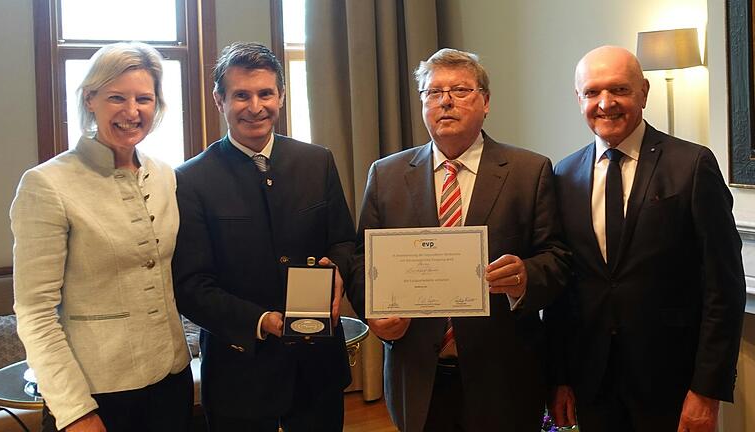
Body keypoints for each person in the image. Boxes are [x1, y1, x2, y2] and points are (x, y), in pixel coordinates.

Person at [348, 48, 571, 432]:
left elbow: (558, 258)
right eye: (434, 92)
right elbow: (360, 261)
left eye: (460, 90)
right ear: (422, 104)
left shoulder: (529, 170)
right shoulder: (386, 175)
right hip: (417, 372)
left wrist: (525, 276)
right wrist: (375, 313)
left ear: (485, 101)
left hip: (504, 374)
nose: (446, 102)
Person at [547, 45, 746, 432]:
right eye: (591, 92)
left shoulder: (691, 165)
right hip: (594, 383)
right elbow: (563, 290)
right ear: (578, 99)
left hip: (672, 383)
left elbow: (724, 286)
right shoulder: (564, 174)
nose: (605, 104)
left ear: (644, 91)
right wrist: (560, 377)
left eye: (619, 90)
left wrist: (707, 390)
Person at [171, 42, 355, 432]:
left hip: (316, 370)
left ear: (281, 97)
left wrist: (338, 269)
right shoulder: (190, 180)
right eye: (241, 95)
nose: (255, 106)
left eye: (266, 94)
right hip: (239, 377)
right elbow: (191, 287)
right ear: (219, 99)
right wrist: (262, 320)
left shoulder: (317, 161)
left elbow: (342, 240)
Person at [10, 42, 193, 432]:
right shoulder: (46, 184)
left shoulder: (164, 175)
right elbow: (35, 312)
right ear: (90, 99)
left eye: (144, 98)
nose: (132, 111)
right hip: (95, 393)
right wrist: (74, 409)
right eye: (117, 98)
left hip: (171, 380)